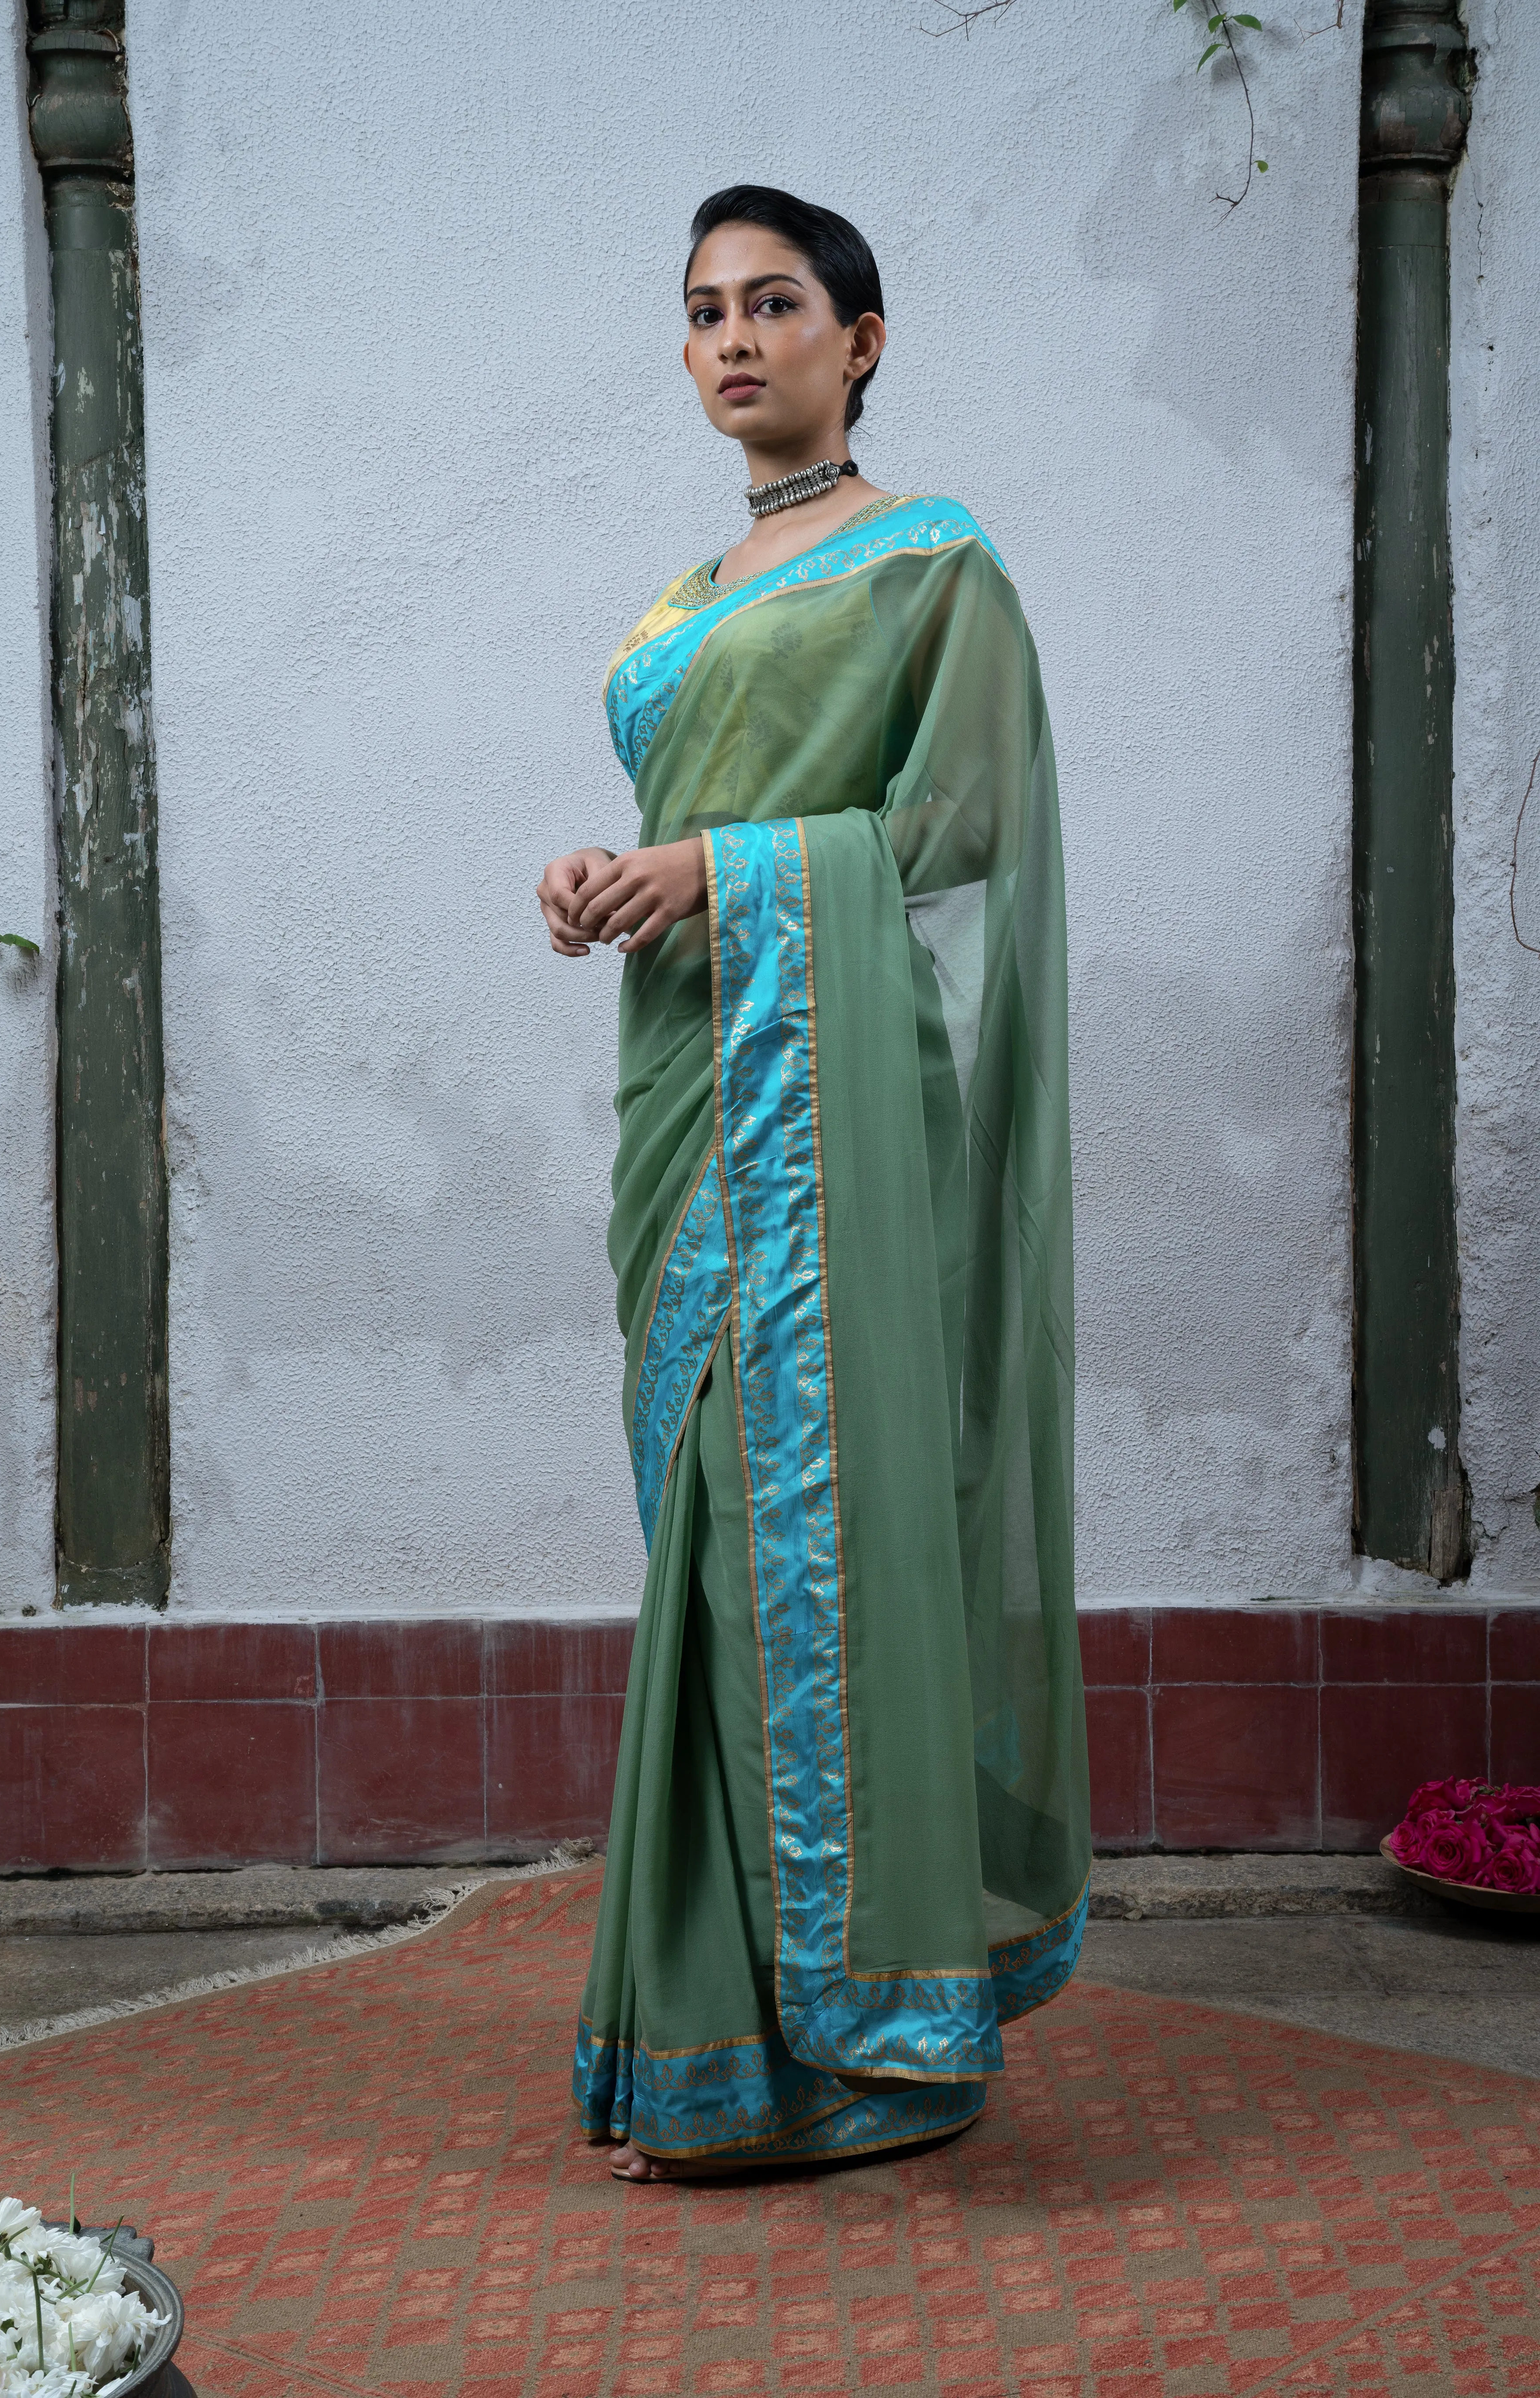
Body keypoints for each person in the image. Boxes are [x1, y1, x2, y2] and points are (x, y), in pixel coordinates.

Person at [536, 184, 1089, 2182]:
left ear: (864, 338)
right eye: (704, 312)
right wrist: (609, 876)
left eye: (778, 303)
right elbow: (689, 825)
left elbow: (961, 843)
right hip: (691, 1079)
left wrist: (720, 874)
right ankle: (717, 2031)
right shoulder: (689, 596)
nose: (737, 338)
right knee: (705, 1530)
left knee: (811, 1532)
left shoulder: (935, 573)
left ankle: (871, 2038)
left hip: (835, 1111)